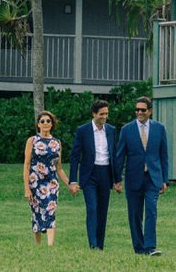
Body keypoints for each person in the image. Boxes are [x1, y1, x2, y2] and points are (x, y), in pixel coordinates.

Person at [113, 96, 169, 256]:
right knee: (135, 214)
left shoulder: (159, 128)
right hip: (133, 178)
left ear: (150, 111)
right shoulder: (127, 129)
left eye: (143, 110)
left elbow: (164, 155)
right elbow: (119, 156)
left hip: (153, 178)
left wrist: (165, 179)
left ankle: (150, 247)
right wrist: (117, 179)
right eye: (137, 110)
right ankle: (139, 248)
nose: (139, 112)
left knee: (151, 210)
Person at [67, 99, 118, 250]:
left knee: (103, 212)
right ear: (94, 114)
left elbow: (114, 155)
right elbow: (75, 156)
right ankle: (93, 245)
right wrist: (73, 181)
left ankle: (100, 246)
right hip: (89, 175)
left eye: (106, 114)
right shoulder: (83, 130)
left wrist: (117, 180)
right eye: (101, 114)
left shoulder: (111, 130)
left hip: (105, 174)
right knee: (92, 209)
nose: (104, 117)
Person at [23, 110, 71, 246]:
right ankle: (38, 245)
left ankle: (50, 245)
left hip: (51, 184)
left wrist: (70, 184)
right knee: (37, 212)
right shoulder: (32, 141)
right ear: (38, 124)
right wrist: (27, 188)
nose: (45, 123)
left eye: (48, 121)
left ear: (52, 124)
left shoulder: (57, 143)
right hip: (35, 183)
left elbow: (59, 168)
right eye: (42, 121)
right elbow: (26, 165)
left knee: (50, 211)